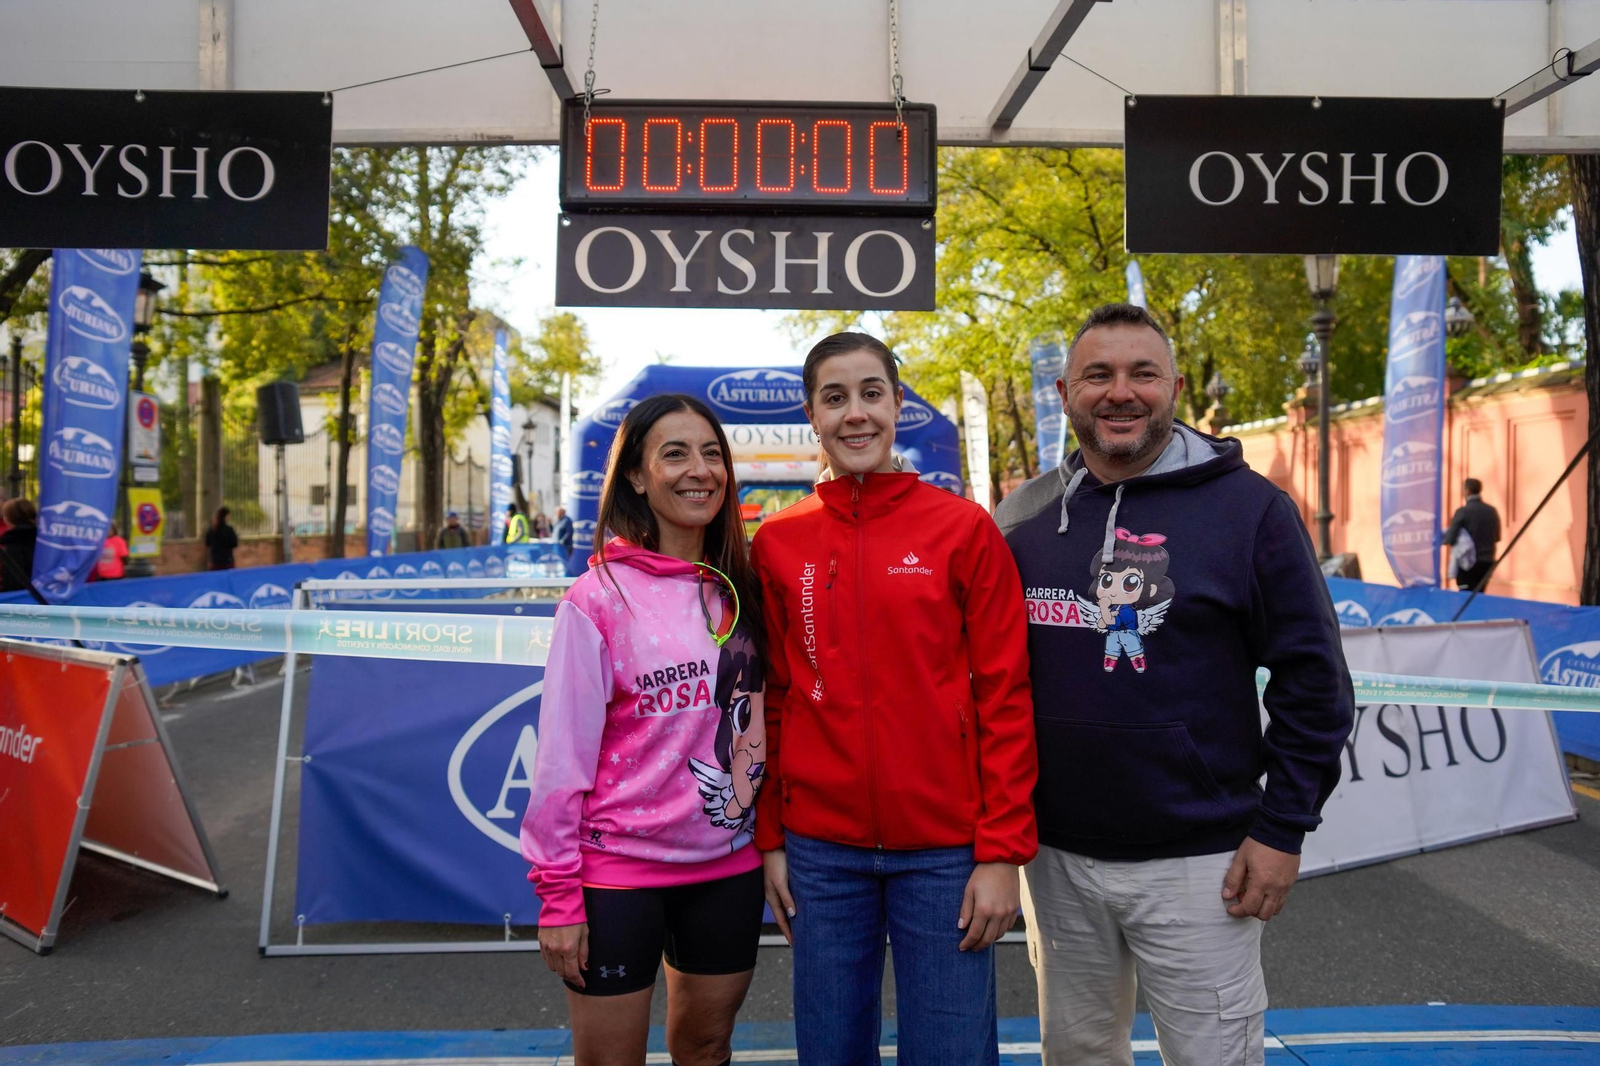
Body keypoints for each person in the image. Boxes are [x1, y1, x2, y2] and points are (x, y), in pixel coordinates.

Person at [994, 303, 1354, 1065]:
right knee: (1079, 1055)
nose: (1120, 393)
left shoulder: (1252, 510)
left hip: (1203, 863)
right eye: (1099, 375)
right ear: (1065, 392)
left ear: (1176, 387)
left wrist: (1282, 827)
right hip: (1054, 860)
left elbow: (1315, 681)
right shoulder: (1021, 519)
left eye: (1142, 374)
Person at [752, 332, 1038, 1066]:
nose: (856, 414)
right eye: (835, 397)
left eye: (871, 394)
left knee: (950, 1052)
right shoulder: (779, 542)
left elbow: (1005, 695)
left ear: (897, 404)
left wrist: (1001, 852)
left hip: (944, 854)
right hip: (821, 855)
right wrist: (774, 839)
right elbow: (774, 698)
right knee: (830, 1053)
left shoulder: (962, 528)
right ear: (811, 413)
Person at [521, 393, 768, 1066]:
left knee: (707, 1046)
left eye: (712, 452)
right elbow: (559, 764)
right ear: (636, 474)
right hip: (617, 877)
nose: (700, 470)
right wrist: (559, 897)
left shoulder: (743, 587)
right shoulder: (596, 600)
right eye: (676, 453)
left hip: (727, 870)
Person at [1444, 477, 1502, 592]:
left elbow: (1450, 538)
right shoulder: (1492, 511)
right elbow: (1497, 537)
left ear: (1467, 491)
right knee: (1479, 595)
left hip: (1467, 563)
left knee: (1465, 597)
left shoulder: (1462, 512)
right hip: (1487, 562)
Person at [0, 497, 38, 592]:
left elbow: (12, 580)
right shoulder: (45, 541)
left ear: (9, 518)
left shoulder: (13, 545)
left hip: (20, 600)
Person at [204, 506, 238, 571]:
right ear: (226, 516)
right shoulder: (229, 530)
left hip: (215, 561)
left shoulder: (212, 530)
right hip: (227, 561)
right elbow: (234, 544)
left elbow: (207, 544)